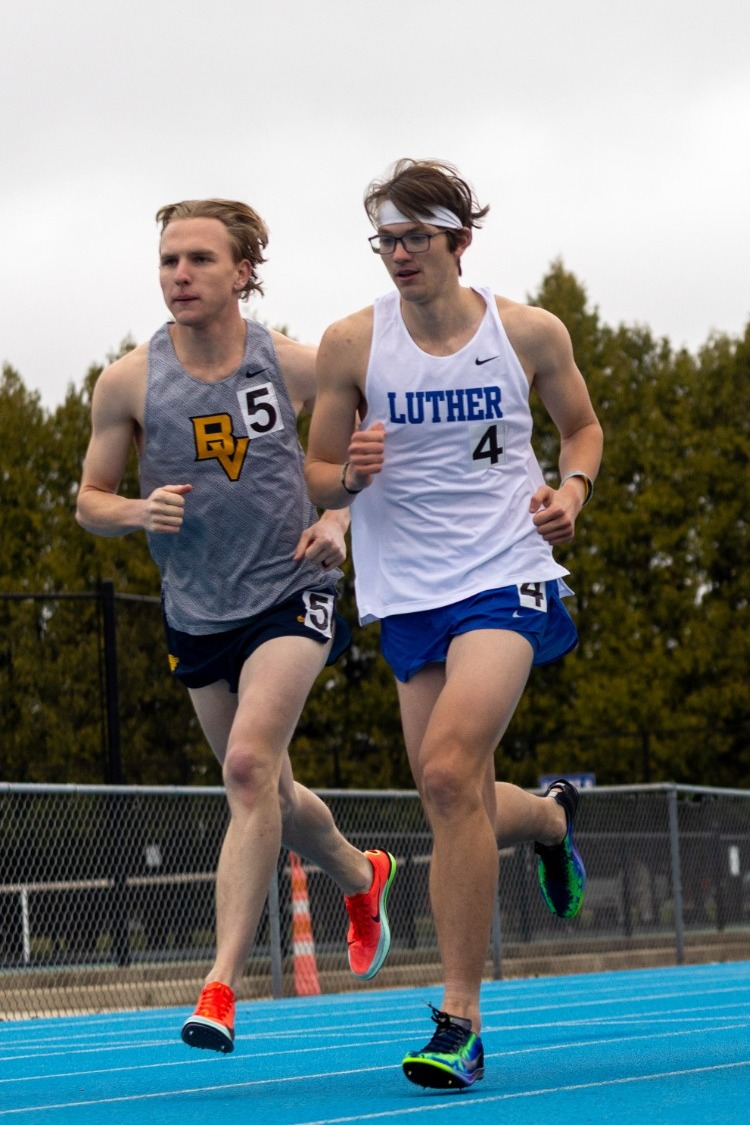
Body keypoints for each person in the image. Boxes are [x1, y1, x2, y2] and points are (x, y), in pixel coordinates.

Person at [305, 160, 602, 1089]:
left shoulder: (526, 332)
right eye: (386, 241)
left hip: (506, 573)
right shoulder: (353, 344)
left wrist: (572, 494)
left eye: (416, 239)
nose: (399, 255)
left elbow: (583, 428)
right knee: (452, 795)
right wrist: (346, 477)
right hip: (407, 591)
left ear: (459, 241)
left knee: (445, 770)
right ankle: (549, 817)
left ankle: (460, 1018)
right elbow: (316, 472)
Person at [75, 198, 397, 1054]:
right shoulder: (129, 382)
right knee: (273, 795)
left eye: (200, 259)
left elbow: (364, 448)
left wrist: (337, 520)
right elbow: (89, 500)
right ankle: (361, 872)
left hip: (291, 590)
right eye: (168, 260)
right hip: (196, 611)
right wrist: (137, 509)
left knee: (248, 767)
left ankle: (220, 985)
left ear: (243, 271)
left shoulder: (294, 364)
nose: (179, 274)